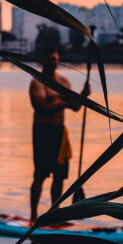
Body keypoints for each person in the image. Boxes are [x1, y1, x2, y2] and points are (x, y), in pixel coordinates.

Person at [29, 45, 89, 220]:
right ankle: (33, 216)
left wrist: (83, 96)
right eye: (49, 59)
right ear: (42, 61)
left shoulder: (64, 82)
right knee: (40, 175)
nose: (53, 63)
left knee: (59, 176)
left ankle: (54, 214)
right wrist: (66, 103)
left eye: (55, 59)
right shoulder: (37, 83)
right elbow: (42, 107)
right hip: (42, 131)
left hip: (60, 132)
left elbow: (75, 107)